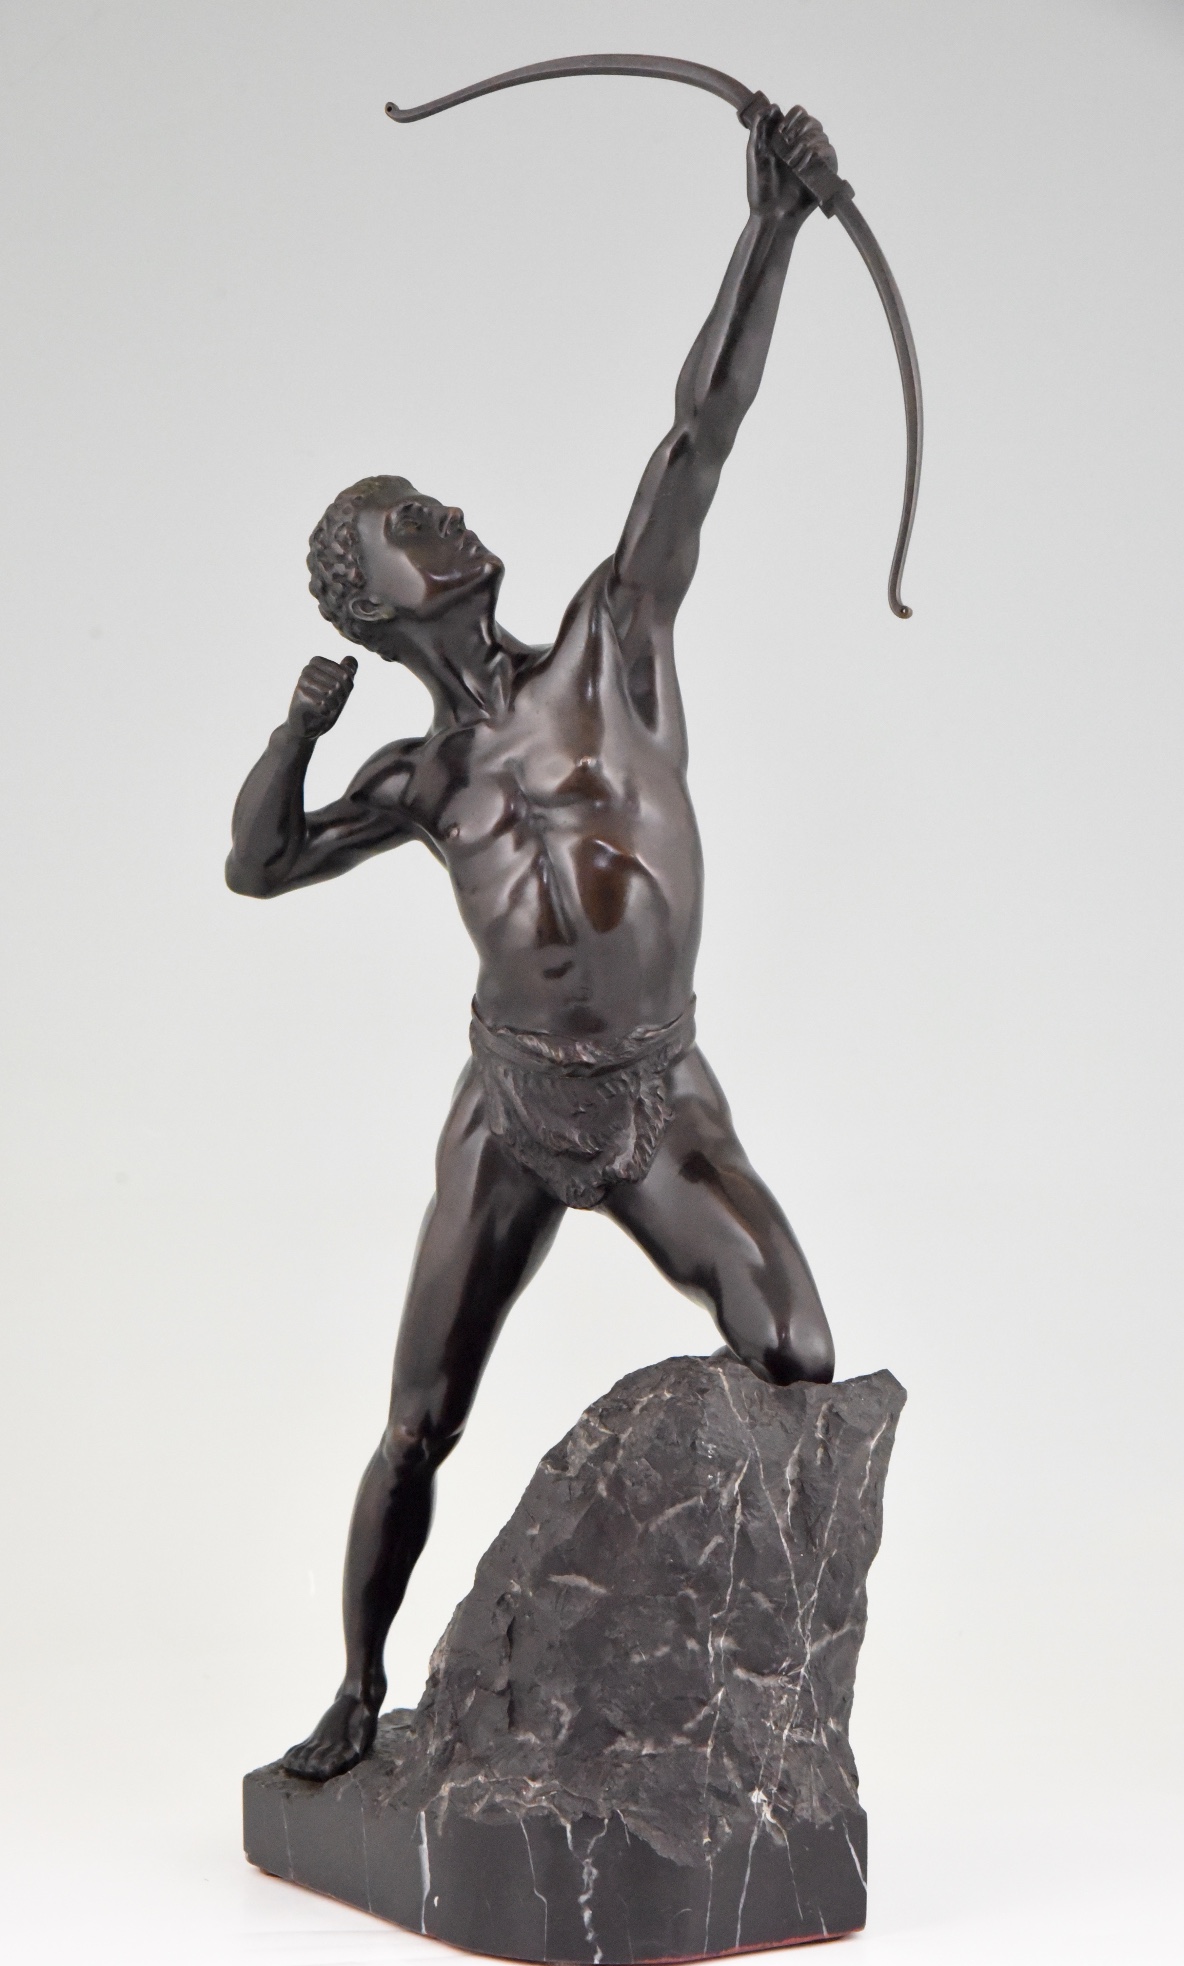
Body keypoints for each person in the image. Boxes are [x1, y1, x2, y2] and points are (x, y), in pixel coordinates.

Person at [227, 102, 838, 1780]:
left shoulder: (607, 640)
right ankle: (358, 1697)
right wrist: (297, 727)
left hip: (655, 1091)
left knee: (793, 1348)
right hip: (511, 1106)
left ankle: (738, 1668)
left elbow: (701, 430)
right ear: (373, 600)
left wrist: (773, 224)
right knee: (419, 1419)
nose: (444, 516)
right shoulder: (419, 775)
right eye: (407, 521)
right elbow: (260, 867)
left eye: (431, 499)